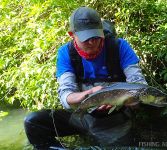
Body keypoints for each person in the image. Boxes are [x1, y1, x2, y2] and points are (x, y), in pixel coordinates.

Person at [24, 6, 147, 149]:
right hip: (81, 116)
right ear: (72, 34)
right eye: (86, 38)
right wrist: (90, 94)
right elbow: (66, 96)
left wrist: (128, 99)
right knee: (33, 122)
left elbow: (139, 85)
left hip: (115, 121)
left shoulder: (120, 47)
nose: (92, 42)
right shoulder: (65, 53)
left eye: (96, 36)